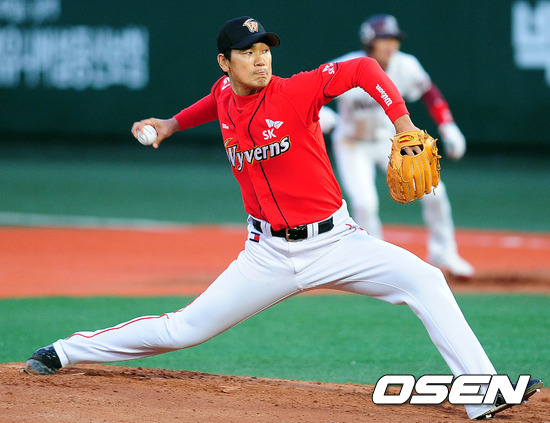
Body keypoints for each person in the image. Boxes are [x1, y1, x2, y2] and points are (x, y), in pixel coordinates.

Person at [24, 16, 541, 420]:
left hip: (337, 244)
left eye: (265, 50)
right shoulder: (225, 94)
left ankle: (483, 394)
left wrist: (403, 125)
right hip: (266, 255)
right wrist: (170, 124)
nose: (260, 59)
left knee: (426, 280)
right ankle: (67, 351)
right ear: (225, 63)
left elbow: (362, 69)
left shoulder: (296, 92)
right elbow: (213, 103)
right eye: (248, 53)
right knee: (183, 330)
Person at [319, 14, 474, 279]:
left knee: (434, 191)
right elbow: (310, 94)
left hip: (389, 140)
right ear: (370, 42)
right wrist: (323, 115)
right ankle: (375, 264)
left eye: (394, 39)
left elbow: (429, 93)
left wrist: (448, 125)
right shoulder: (345, 66)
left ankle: (443, 252)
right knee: (365, 203)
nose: (391, 44)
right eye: (384, 39)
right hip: (351, 143)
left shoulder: (406, 65)